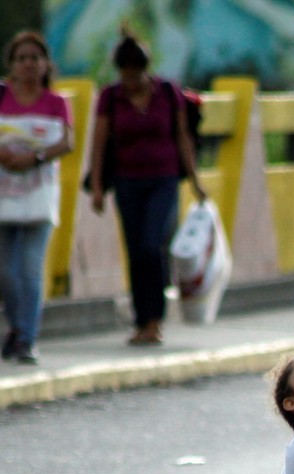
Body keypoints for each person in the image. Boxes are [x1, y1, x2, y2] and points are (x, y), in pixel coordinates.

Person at [0, 31, 73, 366]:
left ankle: (27, 338)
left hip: (37, 190)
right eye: (22, 58)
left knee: (29, 269)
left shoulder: (55, 102)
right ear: (12, 64)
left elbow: (67, 141)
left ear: (45, 64)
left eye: (34, 58)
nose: (28, 64)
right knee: (6, 273)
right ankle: (16, 326)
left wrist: (34, 157)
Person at [88, 29, 206, 346]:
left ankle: (156, 319)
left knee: (153, 245)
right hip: (127, 181)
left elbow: (182, 137)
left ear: (145, 69)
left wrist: (194, 180)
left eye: (135, 75)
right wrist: (97, 185)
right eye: (125, 76)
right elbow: (99, 144)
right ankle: (141, 320)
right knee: (136, 249)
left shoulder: (167, 92)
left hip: (163, 179)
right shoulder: (111, 97)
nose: (131, 82)